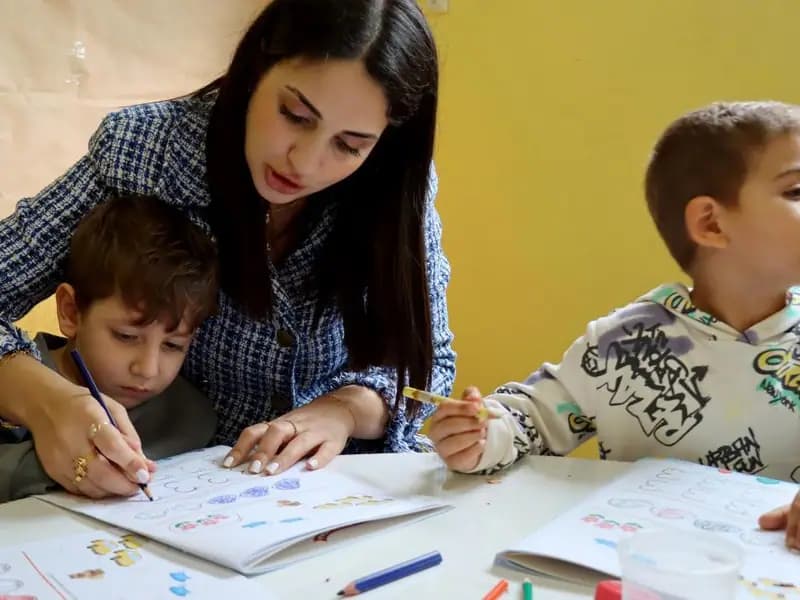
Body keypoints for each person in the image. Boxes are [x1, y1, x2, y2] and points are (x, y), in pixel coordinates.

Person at [0, 0, 455, 499]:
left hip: (337, 493)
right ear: (258, 66)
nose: (304, 162)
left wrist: (343, 409)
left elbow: (425, 366)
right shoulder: (149, 153)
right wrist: (46, 401)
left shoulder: (393, 192)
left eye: (349, 145)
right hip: (175, 495)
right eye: (295, 115)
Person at [430, 101, 800, 482]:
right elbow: (533, 419)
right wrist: (480, 436)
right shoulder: (625, 345)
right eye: (796, 189)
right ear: (711, 223)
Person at [0, 194, 219, 501]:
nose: (147, 369)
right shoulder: (12, 387)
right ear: (71, 312)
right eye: (126, 336)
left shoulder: (192, 416)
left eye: (173, 344)